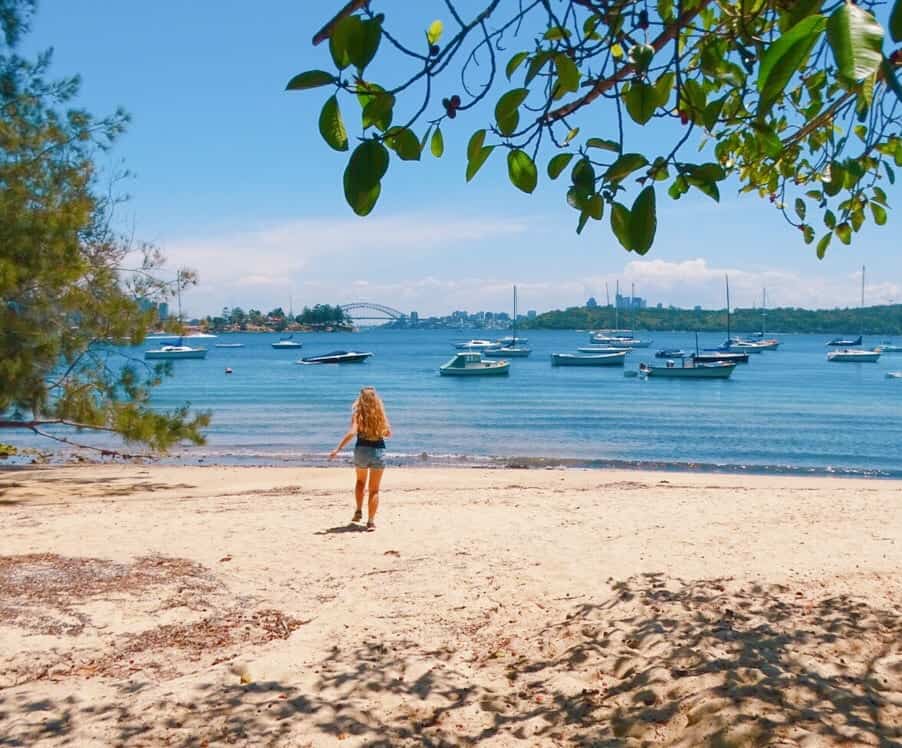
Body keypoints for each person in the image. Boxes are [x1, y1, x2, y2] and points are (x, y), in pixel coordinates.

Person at [329, 386, 392, 531]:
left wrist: (338, 449)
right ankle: (370, 522)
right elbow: (388, 433)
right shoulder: (381, 413)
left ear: (361, 399)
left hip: (362, 450)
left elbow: (352, 433)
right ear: (375, 398)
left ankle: (358, 510)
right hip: (378, 450)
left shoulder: (358, 415)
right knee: (374, 490)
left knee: (360, 482)